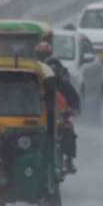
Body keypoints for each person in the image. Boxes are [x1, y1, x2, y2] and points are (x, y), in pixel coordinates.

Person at [34, 41, 81, 174]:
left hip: (58, 119)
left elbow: (73, 98)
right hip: (41, 118)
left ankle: (69, 160)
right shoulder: (34, 80)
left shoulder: (63, 84)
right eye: (40, 55)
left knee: (68, 130)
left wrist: (73, 109)